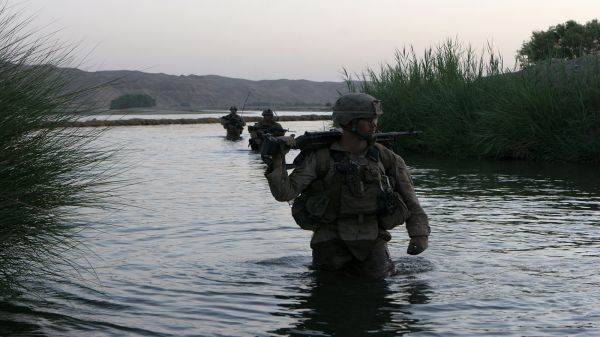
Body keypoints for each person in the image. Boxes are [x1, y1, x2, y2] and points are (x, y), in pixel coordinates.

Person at [263, 93, 430, 279]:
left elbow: (410, 200)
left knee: (378, 283)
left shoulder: (386, 157)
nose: (374, 124)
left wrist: (419, 234)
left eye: (375, 119)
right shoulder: (320, 158)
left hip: (373, 237)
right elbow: (284, 193)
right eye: (368, 120)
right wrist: (278, 158)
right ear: (349, 122)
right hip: (328, 238)